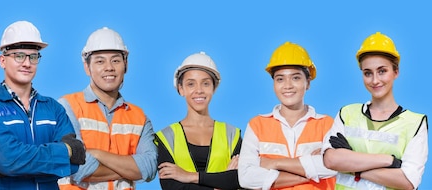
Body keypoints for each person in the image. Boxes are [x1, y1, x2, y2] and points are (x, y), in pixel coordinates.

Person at [0, 20, 85, 190]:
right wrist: (62, 152)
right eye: (19, 56)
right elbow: (9, 160)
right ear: (2, 61)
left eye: (33, 57)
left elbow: (76, 158)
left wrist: (21, 160)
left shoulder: (54, 109)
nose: (27, 63)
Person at [322, 32, 428, 190]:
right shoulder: (347, 113)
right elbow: (330, 160)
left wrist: (352, 164)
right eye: (367, 73)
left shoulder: (415, 123)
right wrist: (389, 161)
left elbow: (407, 181)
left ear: (396, 72)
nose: (375, 80)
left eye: (382, 71)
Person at [57, 27, 157, 190]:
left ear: (126, 65)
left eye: (116, 60)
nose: (109, 67)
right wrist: (130, 170)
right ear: (87, 67)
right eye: (100, 61)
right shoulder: (66, 107)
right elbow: (76, 168)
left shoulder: (139, 118)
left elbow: (150, 167)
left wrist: (96, 154)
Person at [238, 42, 337, 189]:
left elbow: (333, 167)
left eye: (295, 78)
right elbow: (246, 178)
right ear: (274, 84)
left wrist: (274, 163)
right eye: (280, 79)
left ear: (308, 83)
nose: (287, 85)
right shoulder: (257, 125)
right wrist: (310, 167)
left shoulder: (328, 124)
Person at [155, 52, 242, 190]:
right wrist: (222, 183)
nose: (199, 90)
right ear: (181, 89)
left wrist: (190, 176)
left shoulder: (232, 135)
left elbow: (240, 179)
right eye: (191, 84)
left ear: (214, 88)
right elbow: (171, 186)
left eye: (206, 83)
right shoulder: (166, 137)